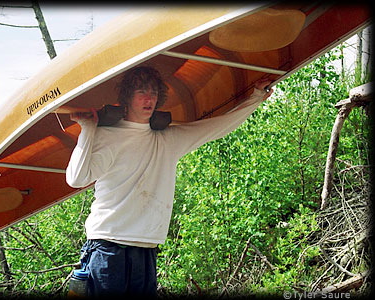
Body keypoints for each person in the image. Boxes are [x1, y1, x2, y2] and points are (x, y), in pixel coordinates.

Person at [65, 66, 273, 297]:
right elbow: (77, 178)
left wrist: (256, 98)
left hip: (146, 249)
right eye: (141, 92)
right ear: (127, 97)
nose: (149, 98)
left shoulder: (167, 141)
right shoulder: (107, 135)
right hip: (107, 246)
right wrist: (87, 128)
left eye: (153, 92)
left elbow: (217, 127)